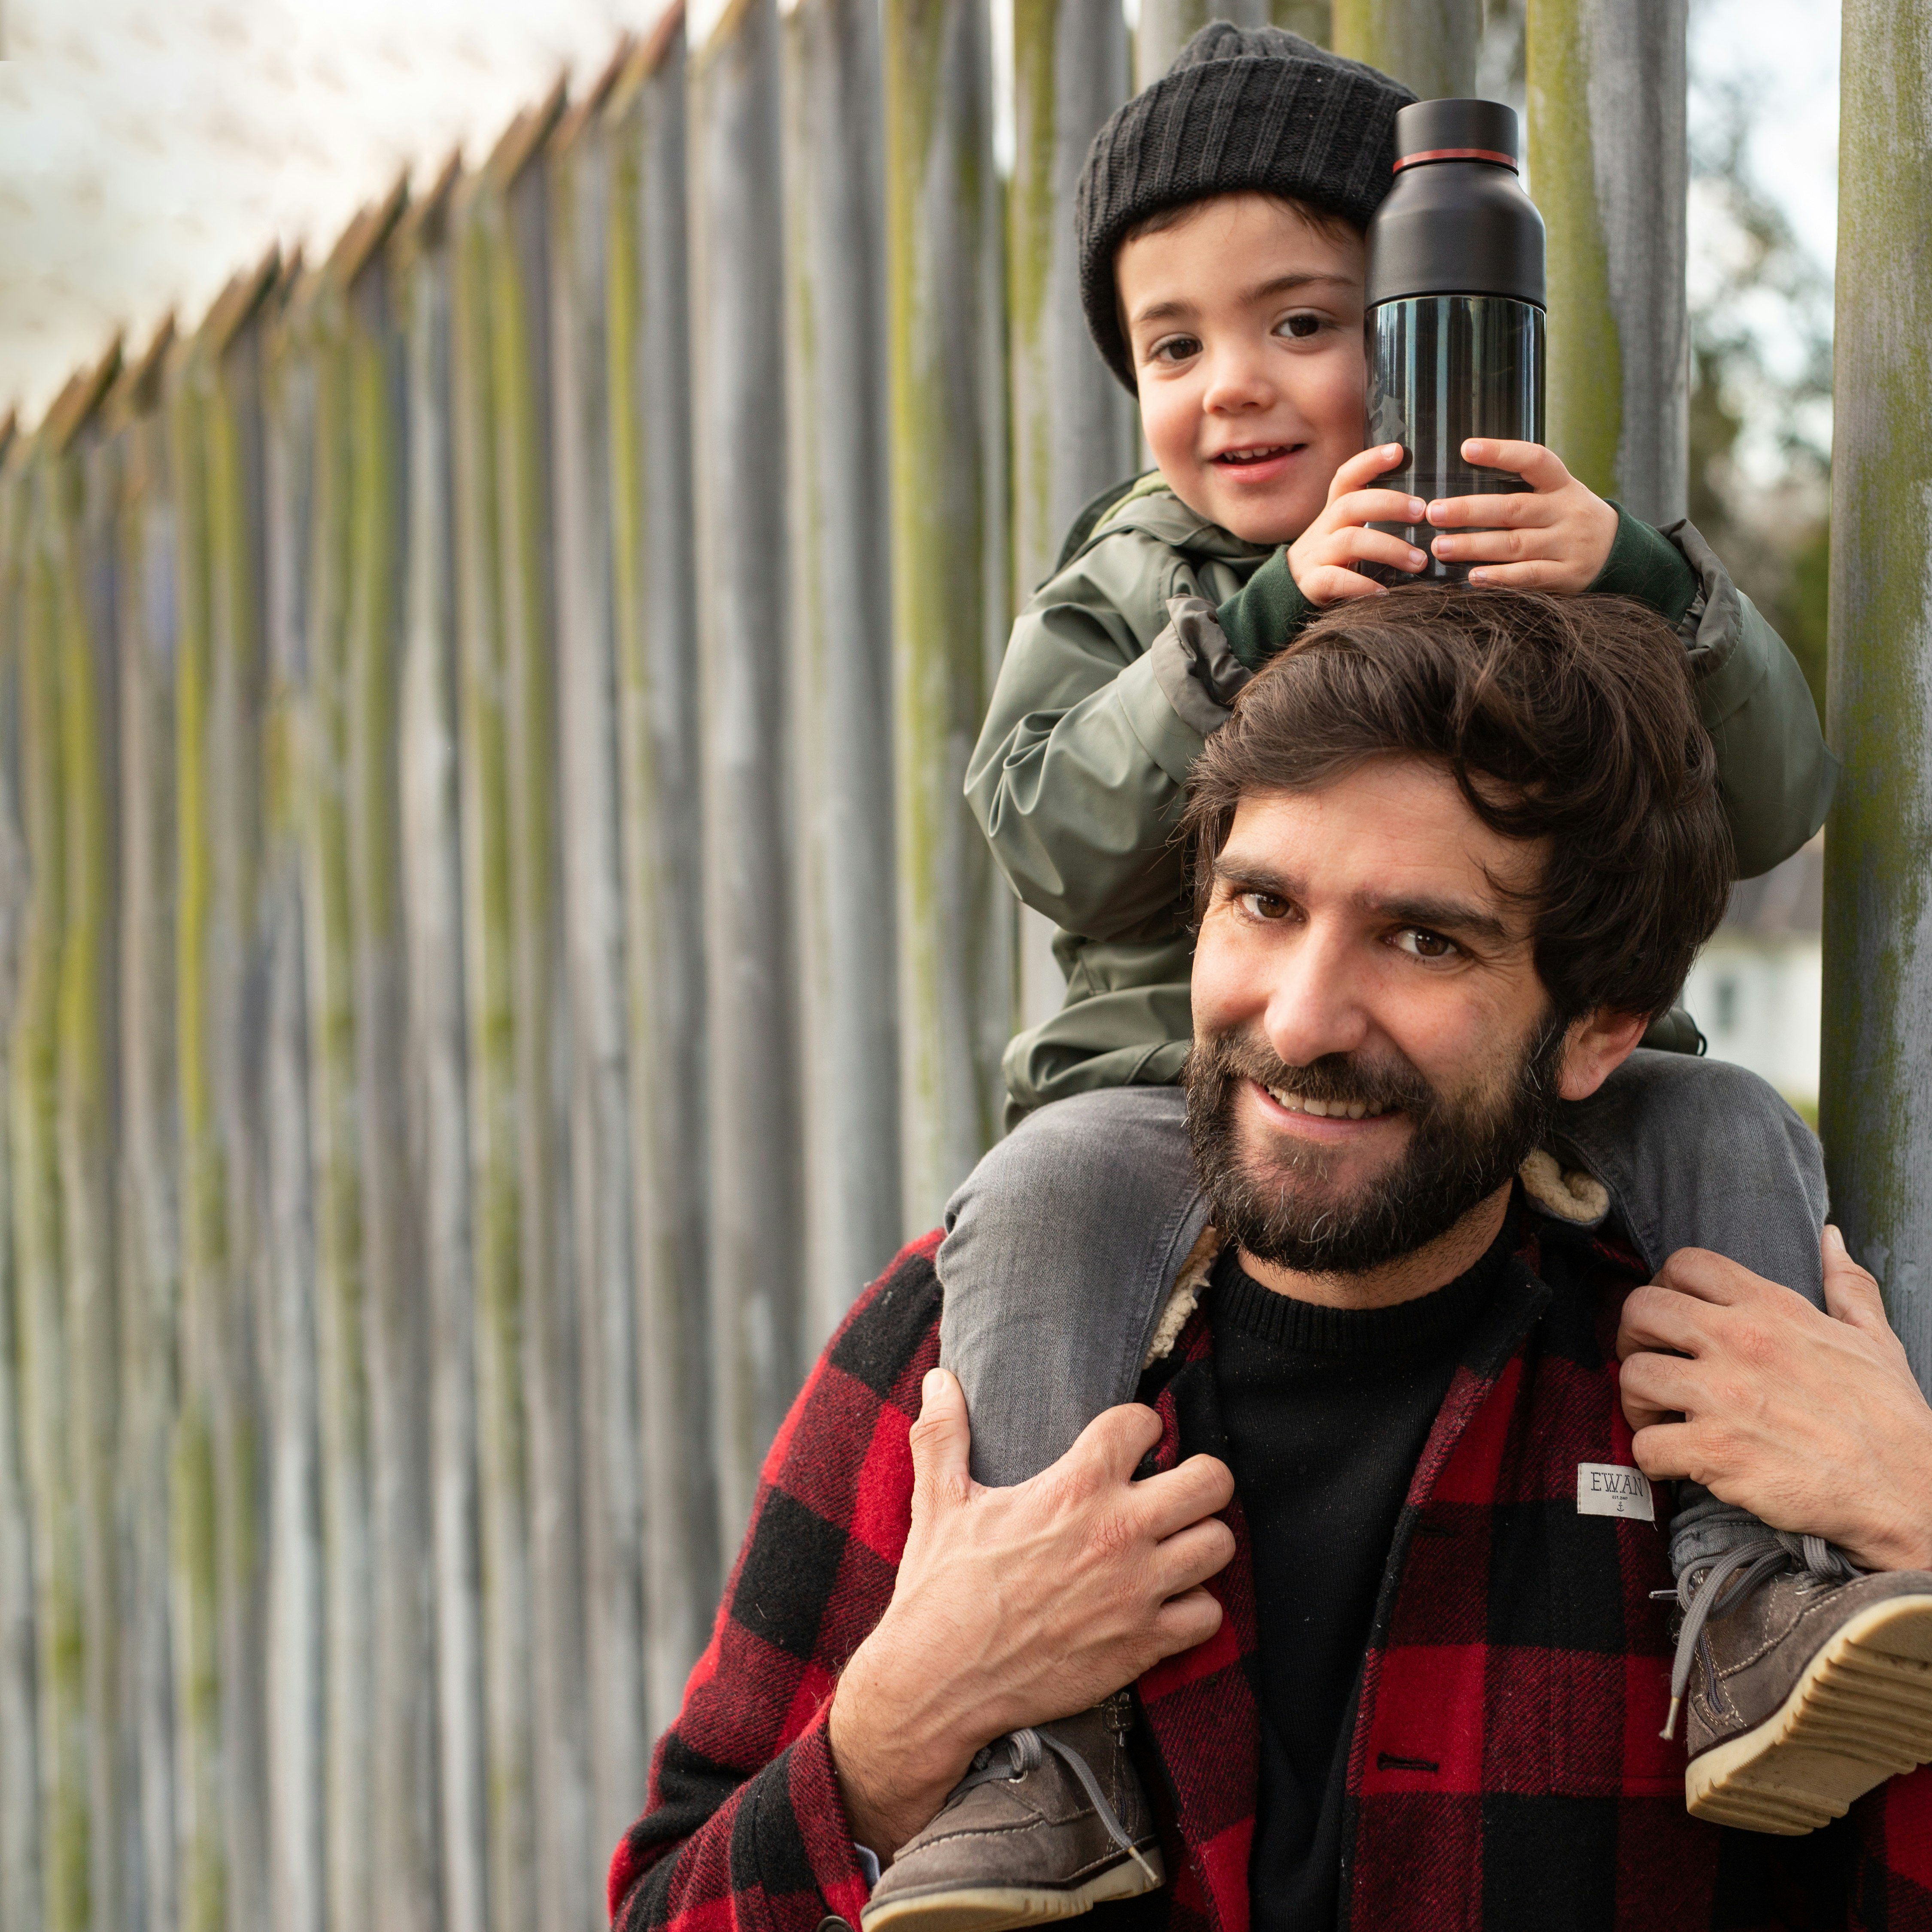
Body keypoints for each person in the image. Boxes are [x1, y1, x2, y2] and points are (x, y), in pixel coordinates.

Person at [606, 588, 1932, 1932]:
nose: (1297, 1020)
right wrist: (895, 1731)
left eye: (1423, 939)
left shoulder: (1767, 1388)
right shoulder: (964, 1352)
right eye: (1262, 903)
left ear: (1595, 1028)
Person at [942, 17, 1844, 1882]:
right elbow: (1044, 828)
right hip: (1176, 1094)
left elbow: (1766, 802)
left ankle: (1762, 1602)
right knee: (1035, 1206)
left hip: (1546, 1071)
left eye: (1301, 323)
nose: (1235, 391)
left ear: (1423, 330)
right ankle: (1047, 1752)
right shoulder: (1137, 584)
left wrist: (1650, 581)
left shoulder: (1538, 535)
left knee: (1736, 1125)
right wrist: (1256, 622)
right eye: (1174, 347)